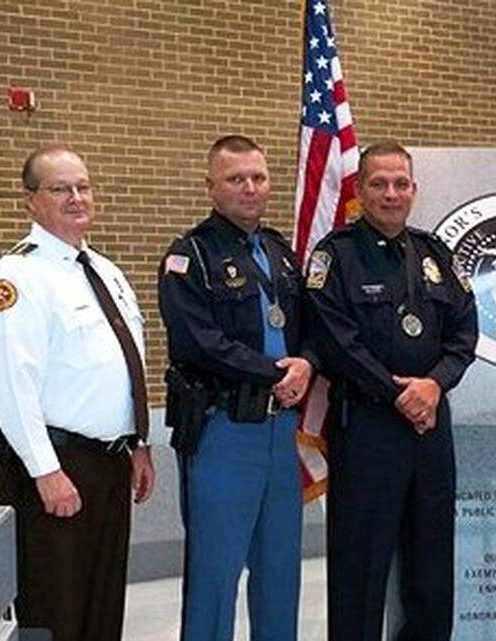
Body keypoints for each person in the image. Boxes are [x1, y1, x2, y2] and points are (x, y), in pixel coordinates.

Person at [0, 144, 155, 641]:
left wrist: (137, 445)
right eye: (61, 189)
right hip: (55, 467)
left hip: (109, 464)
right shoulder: (17, 278)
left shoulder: (104, 271)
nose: (77, 197)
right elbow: (13, 387)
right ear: (30, 201)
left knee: (102, 606)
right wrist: (45, 471)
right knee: (53, 610)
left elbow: (117, 369)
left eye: (83, 186)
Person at [304, 141, 478, 641]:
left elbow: (465, 334)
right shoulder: (333, 256)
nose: (391, 193)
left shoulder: (435, 254)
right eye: (379, 183)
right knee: (360, 569)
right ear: (360, 190)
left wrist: (433, 385)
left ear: (413, 190)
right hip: (367, 431)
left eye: (401, 183)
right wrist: (401, 394)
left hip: (430, 433)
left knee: (431, 565)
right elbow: (337, 341)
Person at [158, 135, 317, 641]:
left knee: (279, 572)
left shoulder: (280, 252)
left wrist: (308, 364)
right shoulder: (190, 257)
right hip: (223, 431)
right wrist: (278, 372)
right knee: (215, 576)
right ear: (211, 186)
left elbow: (311, 326)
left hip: (279, 431)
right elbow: (199, 341)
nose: (250, 188)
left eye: (258, 177)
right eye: (236, 179)